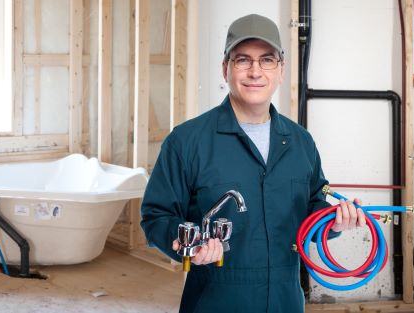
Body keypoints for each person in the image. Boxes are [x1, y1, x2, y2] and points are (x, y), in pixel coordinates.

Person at [140, 14, 366, 313]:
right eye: (243, 60)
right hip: (215, 301)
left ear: (281, 70)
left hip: (285, 300)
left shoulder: (300, 142)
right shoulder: (187, 141)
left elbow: (314, 207)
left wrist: (334, 221)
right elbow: (156, 216)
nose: (255, 71)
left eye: (267, 60)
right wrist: (188, 244)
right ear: (226, 69)